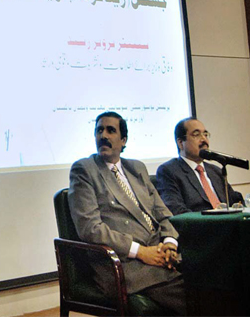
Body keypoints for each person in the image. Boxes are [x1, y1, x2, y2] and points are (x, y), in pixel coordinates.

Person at [68, 111, 186, 315]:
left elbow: (162, 213)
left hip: (159, 253)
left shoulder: (136, 168)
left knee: (212, 277)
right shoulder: (84, 170)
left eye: (110, 130)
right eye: (99, 130)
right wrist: (141, 252)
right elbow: (91, 229)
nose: (103, 135)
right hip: (126, 263)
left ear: (123, 140)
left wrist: (169, 243)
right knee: (197, 294)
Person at [155, 117, 244, 215]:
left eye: (205, 134)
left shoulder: (216, 171)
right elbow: (176, 210)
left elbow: (235, 201)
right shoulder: (169, 171)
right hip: (200, 227)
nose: (204, 139)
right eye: (196, 135)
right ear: (180, 143)